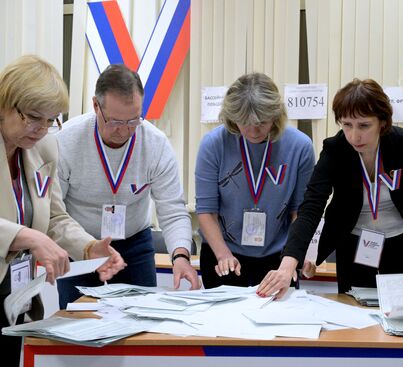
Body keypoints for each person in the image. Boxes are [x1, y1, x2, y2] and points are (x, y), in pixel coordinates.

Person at [0, 55, 126, 367]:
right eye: (33, 118)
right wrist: (25, 235)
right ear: (5, 105)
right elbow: (29, 232)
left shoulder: (43, 148)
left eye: (51, 119)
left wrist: (90, 247)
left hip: (15, 295)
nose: (42, 129)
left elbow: (55, 216)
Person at [257, 78, 403, 298]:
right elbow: (311, 206)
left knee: (399, 311)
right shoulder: (335, 149)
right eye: (347, 125)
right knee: (354, 313)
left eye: (364, 125)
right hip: (354, 242)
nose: (354, 136)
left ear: (382, 122)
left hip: (400, 241)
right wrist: (287, 264)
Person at [56, 64, 200, 309]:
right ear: (95, 106)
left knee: (140, 321)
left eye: (133, 120)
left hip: (134, 244)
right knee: (76, 325)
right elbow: (55, 211)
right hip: (79, 244)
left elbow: (172, 209)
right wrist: (85, 246)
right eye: (114, 121)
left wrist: (181, 256)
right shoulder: (66, 140)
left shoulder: (155, 143)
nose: (124, 130)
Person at [195, 72, 315, 288]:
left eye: (261, 122)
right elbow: (206, 210)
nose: (252, 131)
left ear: (275, 115)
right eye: (244, 122)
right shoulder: (214, 144)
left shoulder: (300, 147)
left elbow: (300, 211)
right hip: (223, 252)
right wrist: (223, 255)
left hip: (279, 257)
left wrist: (296, 254)